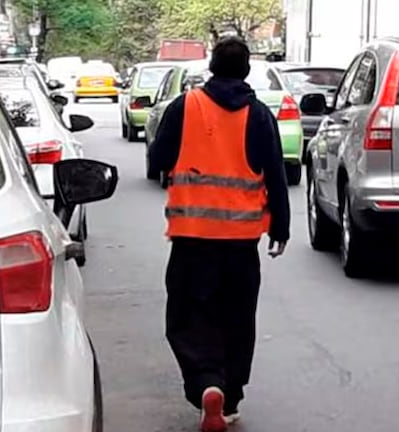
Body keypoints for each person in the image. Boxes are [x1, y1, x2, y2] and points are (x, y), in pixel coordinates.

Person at [148, 36, 291, 432]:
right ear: (246, 71)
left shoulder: (186, 106)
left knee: (188, 317)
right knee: (237, 319)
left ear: (211, 67)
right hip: (241, 243)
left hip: (192, 238)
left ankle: (205, 382)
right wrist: (281, 226)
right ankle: (229, 399)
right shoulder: (260, 116)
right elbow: (276, 175)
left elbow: (159, 158)